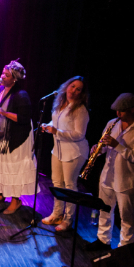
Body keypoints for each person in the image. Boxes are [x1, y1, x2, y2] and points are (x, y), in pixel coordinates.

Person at [85, 93, 134, 251]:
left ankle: (125, 249)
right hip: (108, 175)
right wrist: (98, 149)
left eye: (122, 111)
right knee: (104, 210)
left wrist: (117, 145)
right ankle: (103, 240)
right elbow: (106, 145)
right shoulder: (112, 123)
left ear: (132, 109)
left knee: (126, 217)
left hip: (126, 180)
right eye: (117, 111)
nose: (118, 114)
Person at [0, 61, 36, 214]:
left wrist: (4, 113)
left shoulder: (21, 95)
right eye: (3, 73)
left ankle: (16, 200)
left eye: (6, 75)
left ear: (15, 79)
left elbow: (24, 118)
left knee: (13, 167)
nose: (2, 76)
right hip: (1, 136)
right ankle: (0, 193)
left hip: (16, 138)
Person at [38, 76, 90, 231]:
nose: (73, 91)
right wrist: (49, 126)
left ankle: (68, 219)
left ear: (81, 94)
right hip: (58, 150)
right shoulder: (60, 103)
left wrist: (57, 132)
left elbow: (79, 134)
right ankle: (56, 214)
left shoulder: (80, 110)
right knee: (57, 183)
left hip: (74, 153)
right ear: (67, 86)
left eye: (78, 89)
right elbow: (57, 122)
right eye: (72, 86)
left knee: (69, 186)